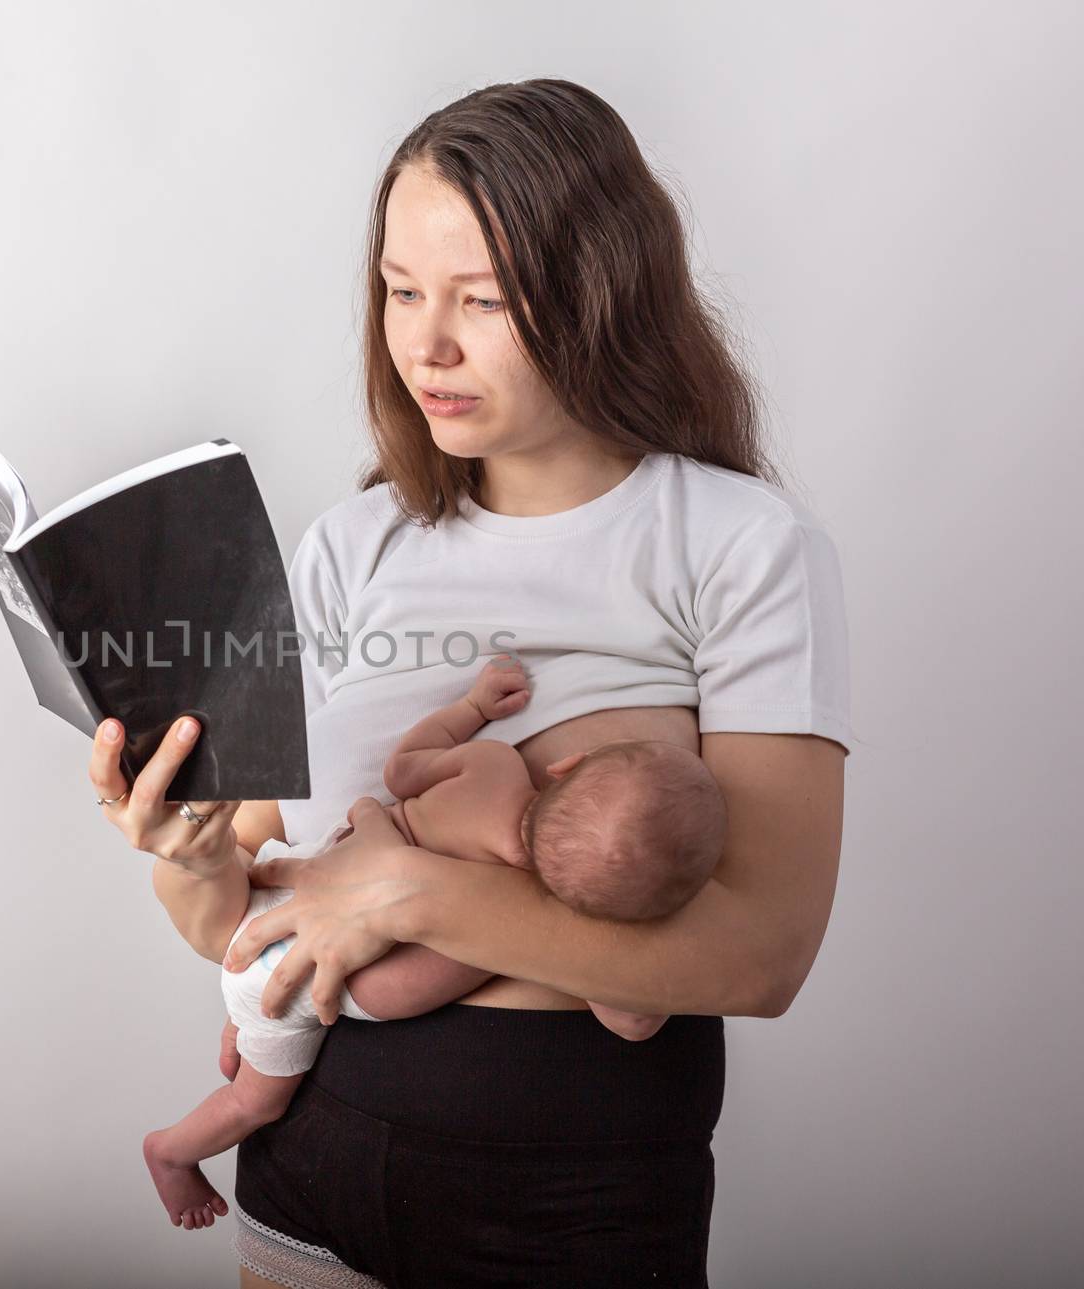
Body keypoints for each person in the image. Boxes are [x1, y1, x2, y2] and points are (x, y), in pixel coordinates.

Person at [91, 77, 850, 1289]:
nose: (423, 344)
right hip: (312, 1155)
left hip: (578, 1191)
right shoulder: (353, 547)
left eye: (480, 301)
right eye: (399, 292)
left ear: (599, 296)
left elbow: (761, 953)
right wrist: (188, 852)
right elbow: (237, 924)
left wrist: (406, 890)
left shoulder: (736, 543)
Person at [139, 653, 728, 1230]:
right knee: (255, 1103)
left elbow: (403, 769)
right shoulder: (553, 914)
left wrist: (471, 707)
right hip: (299, 979)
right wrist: (644, 918)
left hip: (299, 878)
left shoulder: (493, 767)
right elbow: (632, 1020)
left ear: (567, 766)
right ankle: (170, 1149)